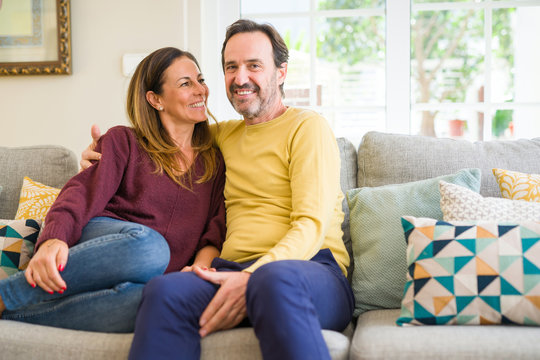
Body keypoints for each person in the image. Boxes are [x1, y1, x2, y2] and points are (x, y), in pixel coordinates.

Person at [82, 19, 353, 359]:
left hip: (311, 272)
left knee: (273, 281)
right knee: (166, 291)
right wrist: (102, 154)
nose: (240, 78)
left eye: (254, 66)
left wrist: (252, 277)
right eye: (231, 67)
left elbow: (311, 226)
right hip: (232, 272)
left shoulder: (307, 127)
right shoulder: (220, 137)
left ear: (281, 72)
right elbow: (159, 140)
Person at [0, 47, 226, 333]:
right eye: (186, 83)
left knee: (153, 301)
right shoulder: (124, 141)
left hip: (149, 277)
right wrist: (53, 240)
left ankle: (10, 317)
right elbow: (80, 193)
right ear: (155, 99)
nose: (201, 90)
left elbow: (215, 228)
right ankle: (9, 293)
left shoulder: (214, 162)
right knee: (151, 247)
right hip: (111, 240)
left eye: (200, 79)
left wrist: (198, 270)